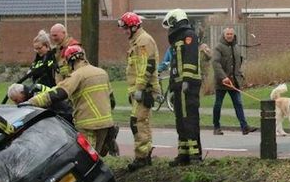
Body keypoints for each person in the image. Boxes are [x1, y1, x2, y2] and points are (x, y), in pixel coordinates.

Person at [25, 45, 114, 156]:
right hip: (106, 123)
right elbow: (112, 100)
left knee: (87, 157)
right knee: (98, 156)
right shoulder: (102, 72)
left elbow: (58, 93)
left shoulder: (78, 75)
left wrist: (32, 102)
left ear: (70, 61)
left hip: (87, 125)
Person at [119, 12, 159, 171]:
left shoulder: (143, 41)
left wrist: (139, 89)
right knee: (142, 122)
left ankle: (142, 157)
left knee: (137, 122)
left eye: (126, 28)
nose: (125, 32)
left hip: (144, 90)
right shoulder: (137, 41)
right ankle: (145, 154)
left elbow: (147, 67)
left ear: (134, 26)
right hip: (140, 89)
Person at [163, 9, 203, 164]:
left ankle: (195, 155)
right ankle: (184, 153)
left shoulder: (189, 36)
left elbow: (190, 59)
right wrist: (173, 85)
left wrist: (186, 80)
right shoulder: (178, 39)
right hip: (179, 85)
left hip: (189, 85)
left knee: (190, 119)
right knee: (180, 120)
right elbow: (175, 64)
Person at [212, 26, 254, 136]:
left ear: (233, 35)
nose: (229, 36)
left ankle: (245, 127)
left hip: (234, 82)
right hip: (222, 82)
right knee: (218, 104)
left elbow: (238, 63)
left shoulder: (236, 47)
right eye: (227, 34)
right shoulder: (218, 47)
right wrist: (223, 77)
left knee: (238, 104)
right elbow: (215, 63)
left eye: (231, 34)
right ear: (224, 35)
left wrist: (241, 76)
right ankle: (216, 127)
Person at [7, 82, 73, 124]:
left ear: (22, 93)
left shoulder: (36, 94)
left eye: (16, 100)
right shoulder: (32, 90)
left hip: (65, 115)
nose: (16, 103)